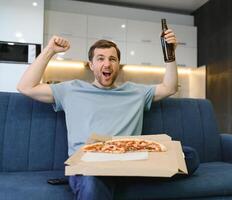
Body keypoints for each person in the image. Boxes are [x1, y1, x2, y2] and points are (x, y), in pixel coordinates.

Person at [17, 29, 199, 200]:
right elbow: (26, 87)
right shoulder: (70, 89)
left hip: (130, 161)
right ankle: (110, 182)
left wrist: (170, 53)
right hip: (89, 164)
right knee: (92, 182)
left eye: (112, 59)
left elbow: (170, 87)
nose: (107, 64)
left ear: (118, 64)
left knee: (188, 155)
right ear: (91, 64)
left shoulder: (136, 92)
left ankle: (121, 179)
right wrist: (49, 50)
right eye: (100, 58)